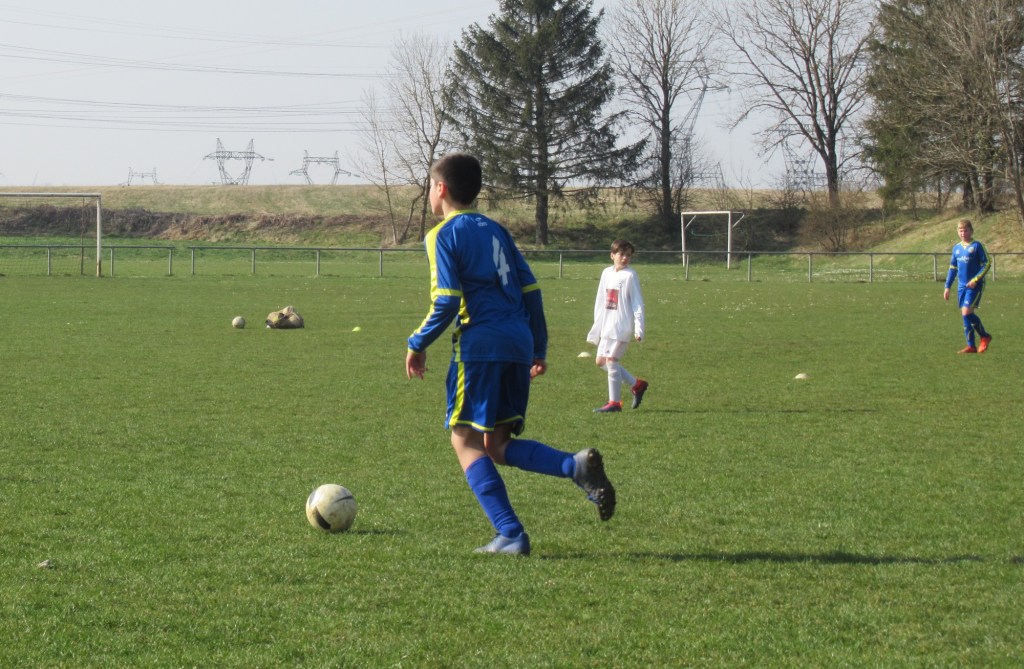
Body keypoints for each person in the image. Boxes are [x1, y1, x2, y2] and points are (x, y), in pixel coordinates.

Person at [405, 152, 616, 556]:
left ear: (440, 188)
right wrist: (537, 346)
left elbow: (446, 299)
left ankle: (511, 533)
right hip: (517, 342)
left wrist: (417, 343)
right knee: (496, 445)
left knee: (464, 439)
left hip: (480, 345)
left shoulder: (442, 235)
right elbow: (531, 290)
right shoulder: (497, 230)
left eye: (430, 185)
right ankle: (574, 466)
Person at [587, 239, 648, 412]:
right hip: (607, 325)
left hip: (621, 326)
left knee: (611, 361)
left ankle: (614, 403)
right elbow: (601, 300)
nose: (625, 258)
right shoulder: (606, 273)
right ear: (612, 255)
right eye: (621, 254)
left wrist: (639, 328)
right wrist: (597, 325)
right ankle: (637, 385)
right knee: (601, 362)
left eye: (628, 255)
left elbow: (637, 303)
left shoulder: (630, 276)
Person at [943, 218, 993, 354]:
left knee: (966, 313)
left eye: (965, 230)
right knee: (965, 315)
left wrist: (976, 279)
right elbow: (953, 268)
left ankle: (985, 336)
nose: (963, 233)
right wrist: (947, 286)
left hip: (974, 286)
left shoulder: (977, 246)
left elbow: (987, 263)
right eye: (960, 231)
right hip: (961, 286)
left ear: (971, 231)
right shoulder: (956, 248)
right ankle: (971, 346)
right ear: (957, 232)